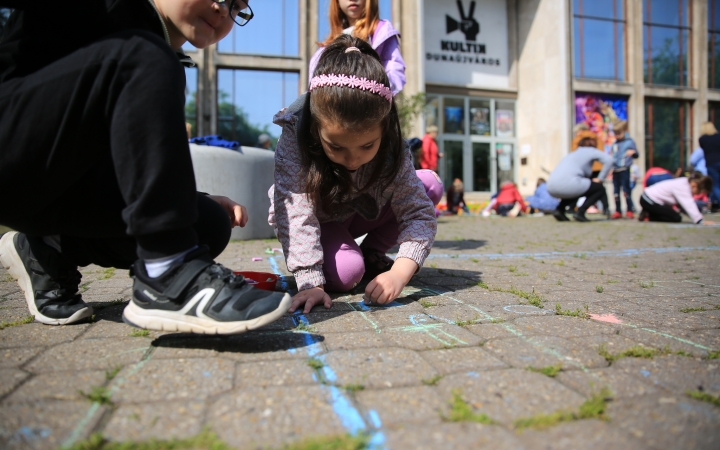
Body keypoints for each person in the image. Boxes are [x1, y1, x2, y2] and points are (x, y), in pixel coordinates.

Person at [0, 1, 291, 333]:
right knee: (143, 56)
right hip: (14, 155)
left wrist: (188, 199)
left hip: (56, 187)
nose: (222, 9)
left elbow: (118, 160)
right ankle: (168, 274)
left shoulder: (160, 60)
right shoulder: (119, 27)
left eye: (237, 6)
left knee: (207, 222)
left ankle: (45, 248)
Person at [268, 35, 438, 314]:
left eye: (367, 145)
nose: (353, 159)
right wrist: (309, 280)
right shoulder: (296, 132)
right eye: (336, 146)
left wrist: (400, 273)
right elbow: (297, 211)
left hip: (362, 209)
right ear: (315, 127)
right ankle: (348, 255)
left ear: (384, 127)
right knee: (348, 273)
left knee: (428, 184)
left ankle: (373, 253)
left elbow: (418, 212)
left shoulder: (393, 144)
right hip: (320, 220)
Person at [310, 0, 406, 95]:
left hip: (370, 103)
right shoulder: (325, 48)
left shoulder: (381, 33)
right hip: (335, 105)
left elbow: (394, 70)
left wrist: (378, 93)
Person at [546, 133, 614, 222]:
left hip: (551, 186)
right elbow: (609, 160)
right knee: (599, 188)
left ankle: (559, 210)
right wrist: (600, 178)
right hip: (570, 183)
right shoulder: (591, 150)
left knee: (576, 188)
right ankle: (580, 212)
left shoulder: (572, 154)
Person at [639, 175, 715, 225]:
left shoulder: (684, 183)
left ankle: (650, 213)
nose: (697, 195)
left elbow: (683, 207)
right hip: (648, 199)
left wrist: (698, 217)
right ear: (694, 185)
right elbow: (689, 205)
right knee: (675, 218)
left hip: (651, 200)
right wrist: (699, 220)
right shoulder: (683, 187)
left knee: (674, 215)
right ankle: (649, 215)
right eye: (699, 192)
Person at [609, 120, 639, 219]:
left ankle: (629, 210)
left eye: (619, 133)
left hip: (624, 169)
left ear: (625, 131)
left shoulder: (629, 142)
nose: (617, 135)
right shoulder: (615, 144)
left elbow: (636, 154)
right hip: (615, 170)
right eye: (615, 133)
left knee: (626, 191)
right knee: (616, 192)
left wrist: (633, 153)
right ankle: (618, 211)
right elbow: (612, 157)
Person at [699, 121, 720, 211]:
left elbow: (703, 149)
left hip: (711, 163)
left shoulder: (702, 139)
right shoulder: (718, 137)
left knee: (714, 185)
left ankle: (716, 203)